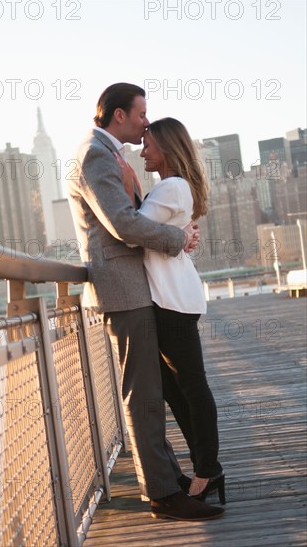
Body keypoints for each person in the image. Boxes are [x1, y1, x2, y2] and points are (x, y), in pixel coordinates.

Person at [68, 82, 224, 520]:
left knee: (157, 391)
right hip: (123, 287)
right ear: (119, 115)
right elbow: (124, 223)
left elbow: (136, 217)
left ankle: (171, 479)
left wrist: (179, 235)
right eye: (141, 115)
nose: (144, 123)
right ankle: (162, 492)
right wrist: (179, 237)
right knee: (146, 395)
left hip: (140, 288)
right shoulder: (95, 154)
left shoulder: (110, 154)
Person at [136, 117, 225, 504]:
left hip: (172, 300)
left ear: (168, 150)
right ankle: (204, 466)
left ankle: (208, 470)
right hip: (173, 297)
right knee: (175, 389)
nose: (142, 151)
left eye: (149, 145)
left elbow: (131, 229)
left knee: (191, 386)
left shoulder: (171, 187)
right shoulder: (171, 187)